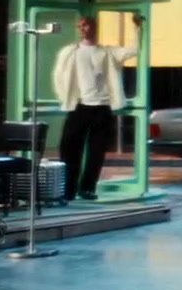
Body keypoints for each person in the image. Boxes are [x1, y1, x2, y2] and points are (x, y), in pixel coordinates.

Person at [52, 14, 139, 202]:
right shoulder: (70, 52)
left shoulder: (107, 52)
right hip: (79, 106)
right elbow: (59, 75)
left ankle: (87, 188)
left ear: (94, 27)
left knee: (96, 152)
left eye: (86, 25)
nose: (83, 29)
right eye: (80, 26)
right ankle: (68, 189)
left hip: (102, 107)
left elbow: (134, 50)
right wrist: (63, 97)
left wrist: (137, 28)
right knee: (69, 148)